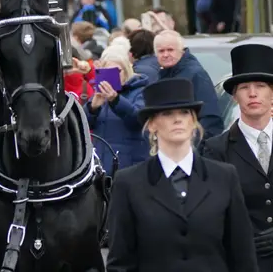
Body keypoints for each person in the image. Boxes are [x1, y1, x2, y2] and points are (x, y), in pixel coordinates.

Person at [107, 77, 258, 272]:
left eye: (185, 112)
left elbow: (242, 255)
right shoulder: (129, 182)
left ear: (193, 122)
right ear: (152, 124)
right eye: (167, 113)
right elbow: (120, 261)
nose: (177, 119)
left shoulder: (224, 177)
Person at [203, 44, 273, 271]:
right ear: (234, 96)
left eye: (260, 86)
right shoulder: (216, 149)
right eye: (244, 87)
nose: (253, 93)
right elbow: (214, 210)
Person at [84, 45, 148, 176]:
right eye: (106, 72)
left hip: (129, 166)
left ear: (126, 70)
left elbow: (138, 120)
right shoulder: (100, 94)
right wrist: (92, 108)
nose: (113, 76)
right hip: (101, 166)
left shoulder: (140, 90)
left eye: (117, 71)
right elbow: (85, 126)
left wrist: (116, 100)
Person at [155, 30, 222, 141]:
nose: (166, 55)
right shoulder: (163, 76)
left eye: (170, 50)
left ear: (181, 51)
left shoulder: (196, 75)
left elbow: (211, 119)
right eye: (161, 51)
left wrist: (193, 147)